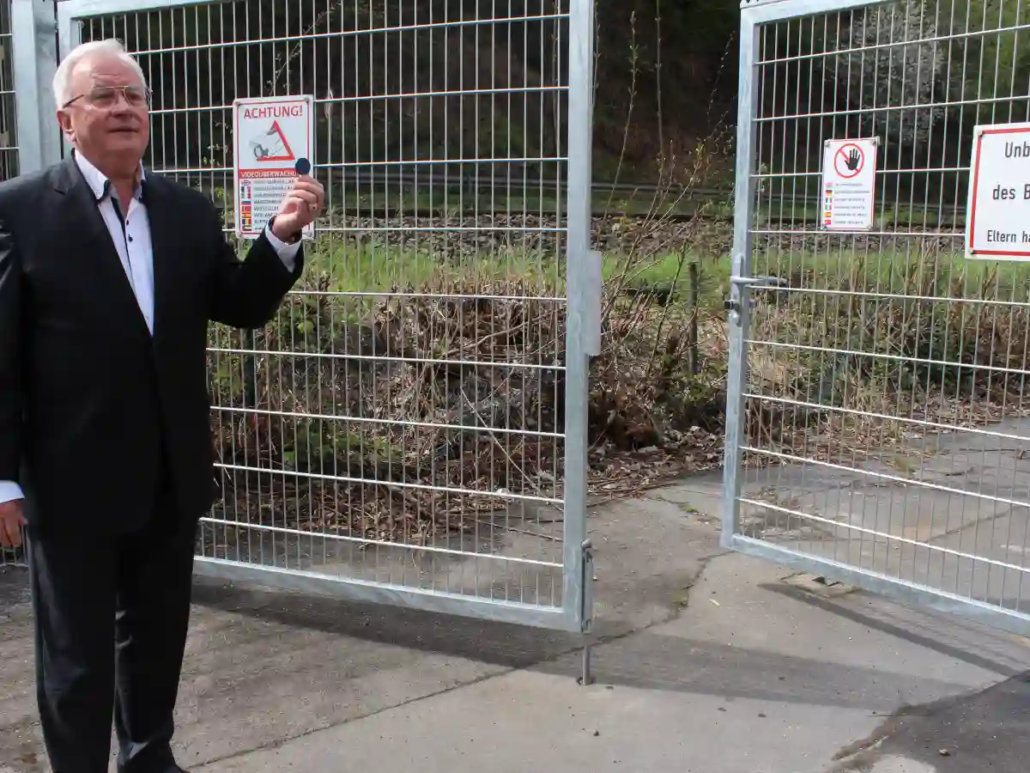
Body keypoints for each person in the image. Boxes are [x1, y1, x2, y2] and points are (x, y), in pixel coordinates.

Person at [0, 38, 324, 773]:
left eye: (135, 97)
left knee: (155, 647)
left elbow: (238, 306)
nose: (124, 108)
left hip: (168, 478)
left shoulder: (183, 210)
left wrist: (280, 236)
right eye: (104, 96)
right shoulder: (19, 211)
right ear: (65, 117)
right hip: (69, 482)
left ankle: (149, 758)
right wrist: (3, 477)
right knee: (75, 663)